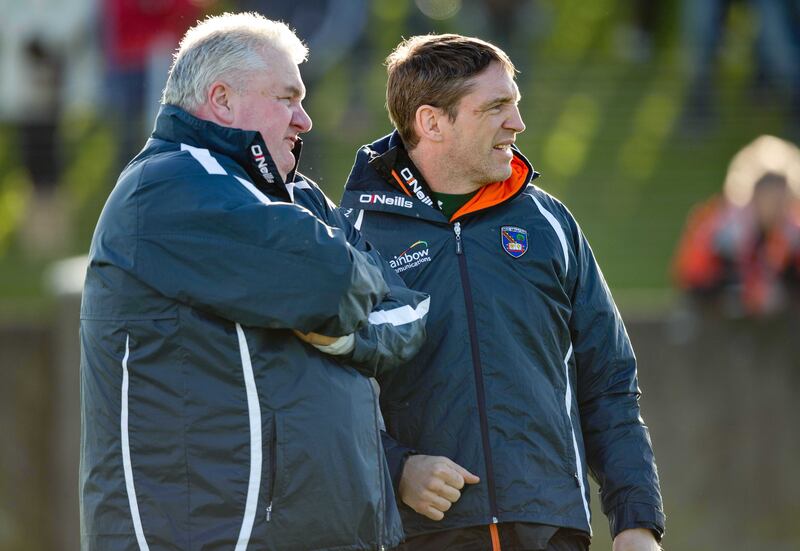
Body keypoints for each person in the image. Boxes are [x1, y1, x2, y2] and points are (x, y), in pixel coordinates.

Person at [80, 12, 430, 550]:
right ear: (222, 100)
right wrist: (346, 303)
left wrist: (339, 336)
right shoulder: (168, 187)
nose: (305, 120)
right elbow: (334, 282)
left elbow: (405, 311)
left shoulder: (298, 196)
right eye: (287, 98)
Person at [340, 34, 665, 550]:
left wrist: (636, 522)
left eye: (515, 104)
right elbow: (317, 392)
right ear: (431, 122)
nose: (518, 123)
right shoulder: (353, 236)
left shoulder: (550, 224)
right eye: (496, 107)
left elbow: (609, 383)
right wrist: (396, 469)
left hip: (551, 529)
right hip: (418, 535)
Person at [674, 135, 800, 317]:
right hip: (718, 322)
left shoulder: (793, 231)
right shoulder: (723, 229)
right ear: (754, 193)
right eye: (769, 194)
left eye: (781, 195)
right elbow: (693, 276)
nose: (775, 204)